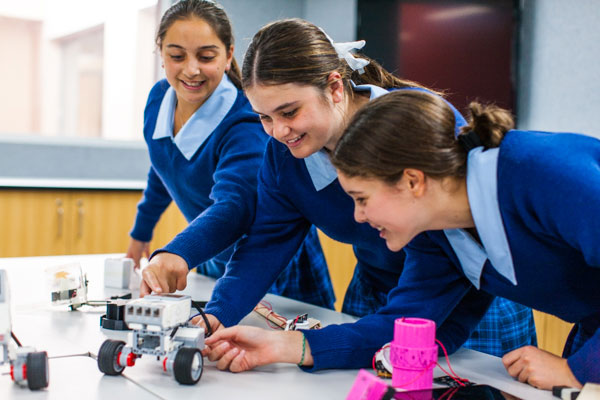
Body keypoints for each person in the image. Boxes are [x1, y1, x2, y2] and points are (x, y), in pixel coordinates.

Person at [141, 18, 535, 358]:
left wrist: (303, 348)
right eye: (264, 117)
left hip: (464, 298)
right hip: (377, 289)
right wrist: (216, 315)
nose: (278, 132)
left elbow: (439, 266)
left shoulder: (416, 123)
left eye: (290, 112)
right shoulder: (285, 153)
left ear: (334, 87)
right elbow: (267, 241)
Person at [204, 90, 600, 390]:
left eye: (361, 199)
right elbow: (401, 330)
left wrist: (575, 370)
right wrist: (285, 346)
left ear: (412, 181)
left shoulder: (543, 172)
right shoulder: (438, 234)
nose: (357, 217)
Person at [129, 0, 335, 309]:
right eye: (176, 55)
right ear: (161, 55)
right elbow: (164, 164)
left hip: (270, 256)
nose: (191, 69)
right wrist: (141, 233)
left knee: (287, 345)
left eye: (206, 56)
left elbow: (236, 204)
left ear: (228, 56)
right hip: (209, 247)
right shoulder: (159, 99)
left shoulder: (245, 120)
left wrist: (179, 251)